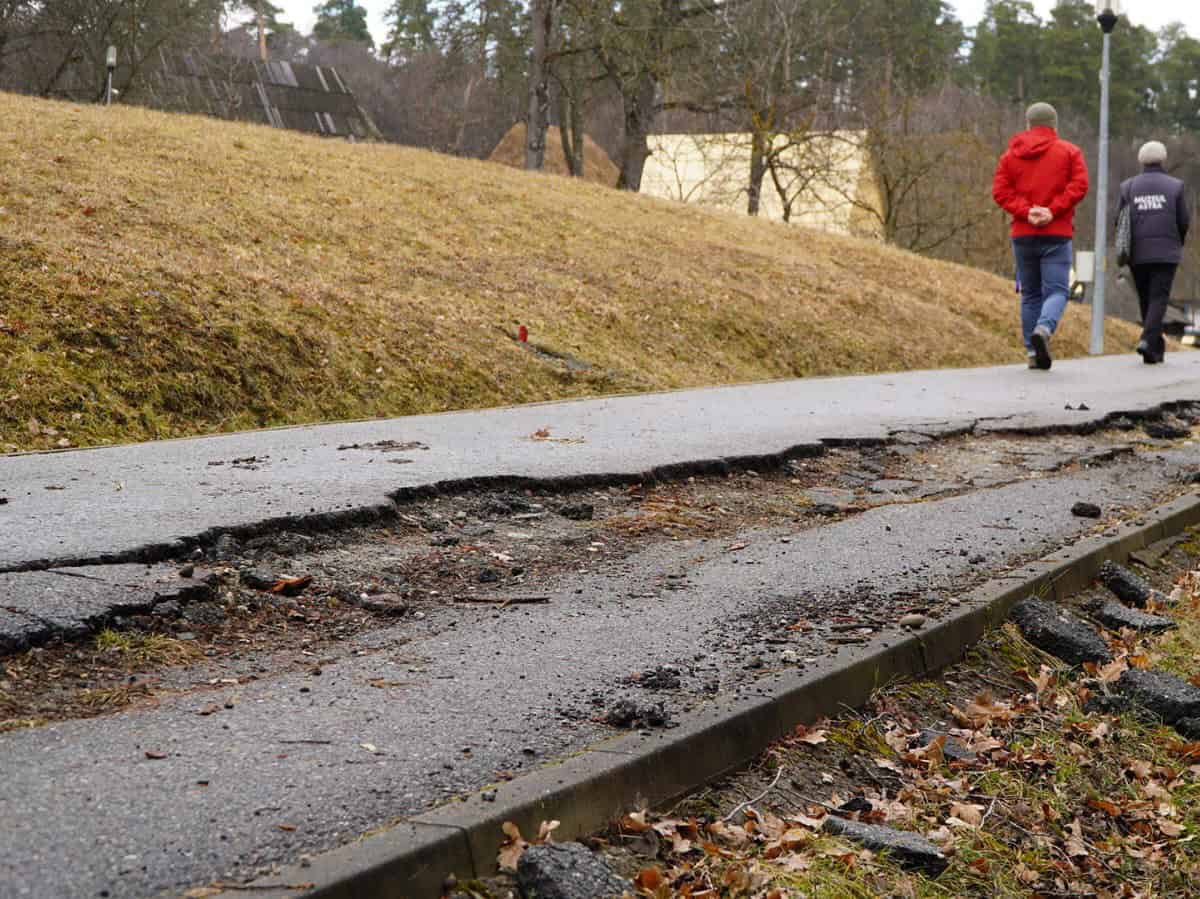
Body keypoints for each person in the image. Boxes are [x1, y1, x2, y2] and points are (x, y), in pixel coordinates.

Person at [992, 102, 1090, 370]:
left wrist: (1026, 212)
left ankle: (1032, 353)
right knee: (1057, 290)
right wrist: (1052, 211)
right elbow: (1080, 185)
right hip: (1056, 233)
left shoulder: (1010, 156)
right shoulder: (1069, 152)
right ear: (1054, 125)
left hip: (1023, 234)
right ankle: (1044, 329)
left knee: (1031, 294)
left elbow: (1000, 192)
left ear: (1028, 124)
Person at [1117, 141, 1190, 364]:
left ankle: (1153, 349)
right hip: (1166, 252)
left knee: (1146, 298)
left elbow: (1118, 220)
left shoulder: (1128, 187)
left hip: (1137, 253)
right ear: (1163, 159)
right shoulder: (1175, 186)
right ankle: (1149, 341)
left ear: (1141, 160)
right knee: (1159, 298)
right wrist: (1176, 241)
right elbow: (1183, 220)